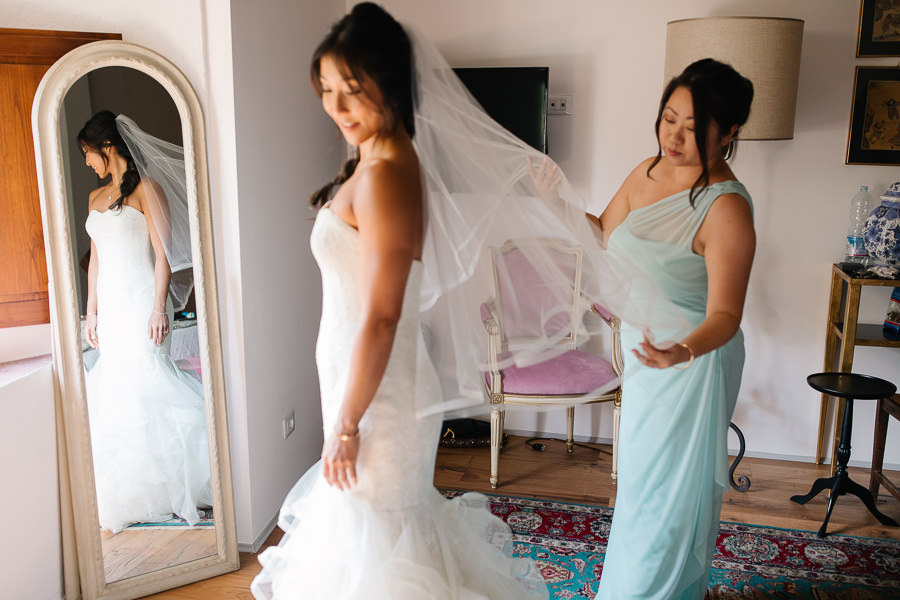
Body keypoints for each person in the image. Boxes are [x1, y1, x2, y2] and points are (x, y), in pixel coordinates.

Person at [250, 4, 554, 599]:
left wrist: (346, 422)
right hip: (360, 381)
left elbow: (383, 316)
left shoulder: (389, 172)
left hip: (381, 395)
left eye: (353, 90)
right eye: (328, 89)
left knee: (382, 539)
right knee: (366, 539)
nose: (336, 107)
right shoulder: (372, 159)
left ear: (389, 86)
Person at [589, 59, 756, 599]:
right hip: (648, 360)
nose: (674, 136)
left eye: (693, 126)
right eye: (668, 119)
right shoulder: (647, 170)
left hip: (692, 364)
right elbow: (602, 232)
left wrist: (678, 353)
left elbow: (726, 317)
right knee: (640, 493)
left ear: (729, 132)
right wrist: (551, 198)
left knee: (669, 504)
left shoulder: (726, 208)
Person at [79, 110, 212, 533]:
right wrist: (91, 312)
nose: (86, 162)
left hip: (141, 302)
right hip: (112, 308)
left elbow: (164, 256)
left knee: (152, 384)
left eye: (87, 153)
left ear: (107, 146)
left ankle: (180, 484)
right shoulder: (94, 199)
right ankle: (136, 492)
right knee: (120, 391)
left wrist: (159, 308)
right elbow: (95, 261)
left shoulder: (147, 190)